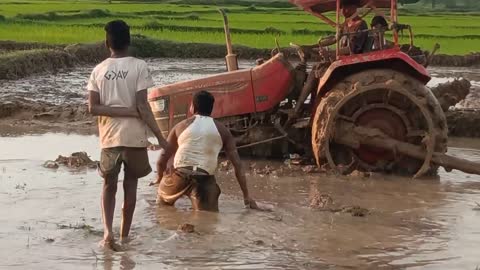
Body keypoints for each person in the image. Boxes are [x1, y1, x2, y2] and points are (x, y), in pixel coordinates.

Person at [87, 20, 168, 248]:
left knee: (108, 186)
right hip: (134, 138)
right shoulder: (139, 66)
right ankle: (124, 234)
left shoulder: (99, 70)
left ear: (107, 42)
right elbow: (143, 106)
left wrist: (120, 111)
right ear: (129, 40)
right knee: (130, 186)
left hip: (110, 138)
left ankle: (107, 233)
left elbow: (93, 107)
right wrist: (161, 138)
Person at [151, 91, 258, 212]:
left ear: (192, 107)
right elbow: (238, 166)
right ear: (212, 109)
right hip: (204, 181)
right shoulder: (223, 131)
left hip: (179, 176)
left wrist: (159, 179)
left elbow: (161, 161)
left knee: (162, 207)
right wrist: (246, 196)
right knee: (206, 219)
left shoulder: (180, 126)